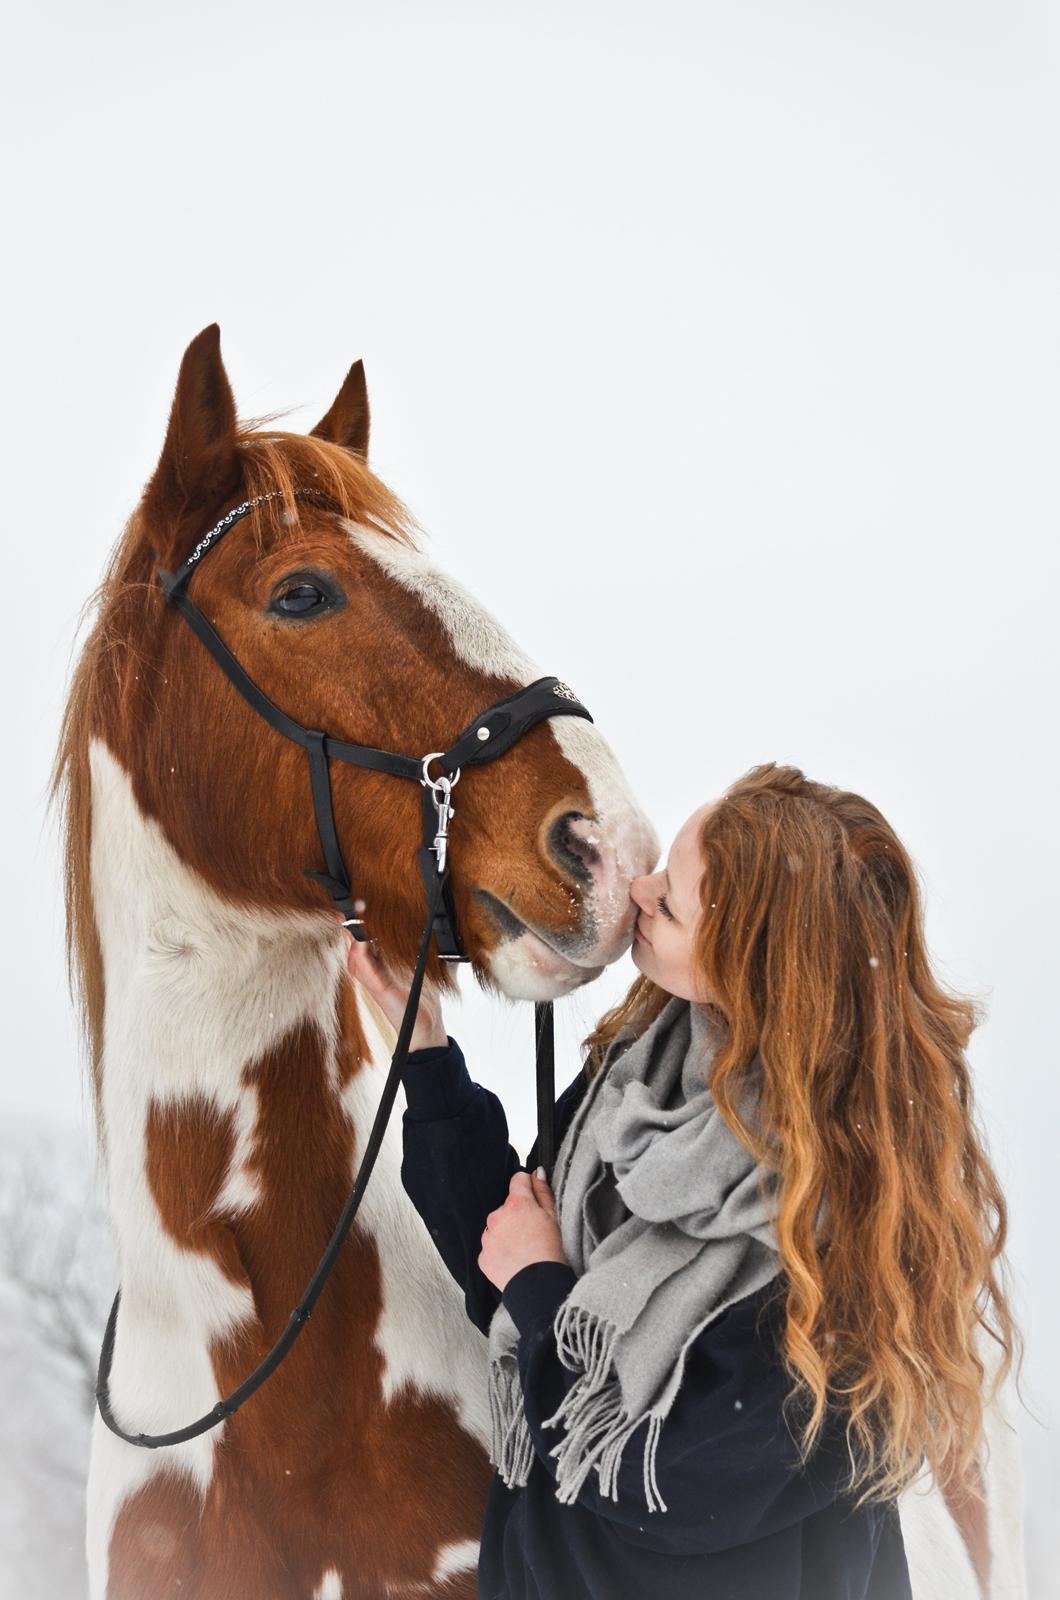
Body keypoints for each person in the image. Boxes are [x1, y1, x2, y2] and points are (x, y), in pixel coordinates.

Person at [341, 761, 1022, 1600]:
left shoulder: (839, 1239)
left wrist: (540, 1282)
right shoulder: (641, 1080)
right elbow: (515, 1259)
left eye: (672, 900)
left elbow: (672, 1486)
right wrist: (430, 1060)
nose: (640, 892)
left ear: (757, 964)